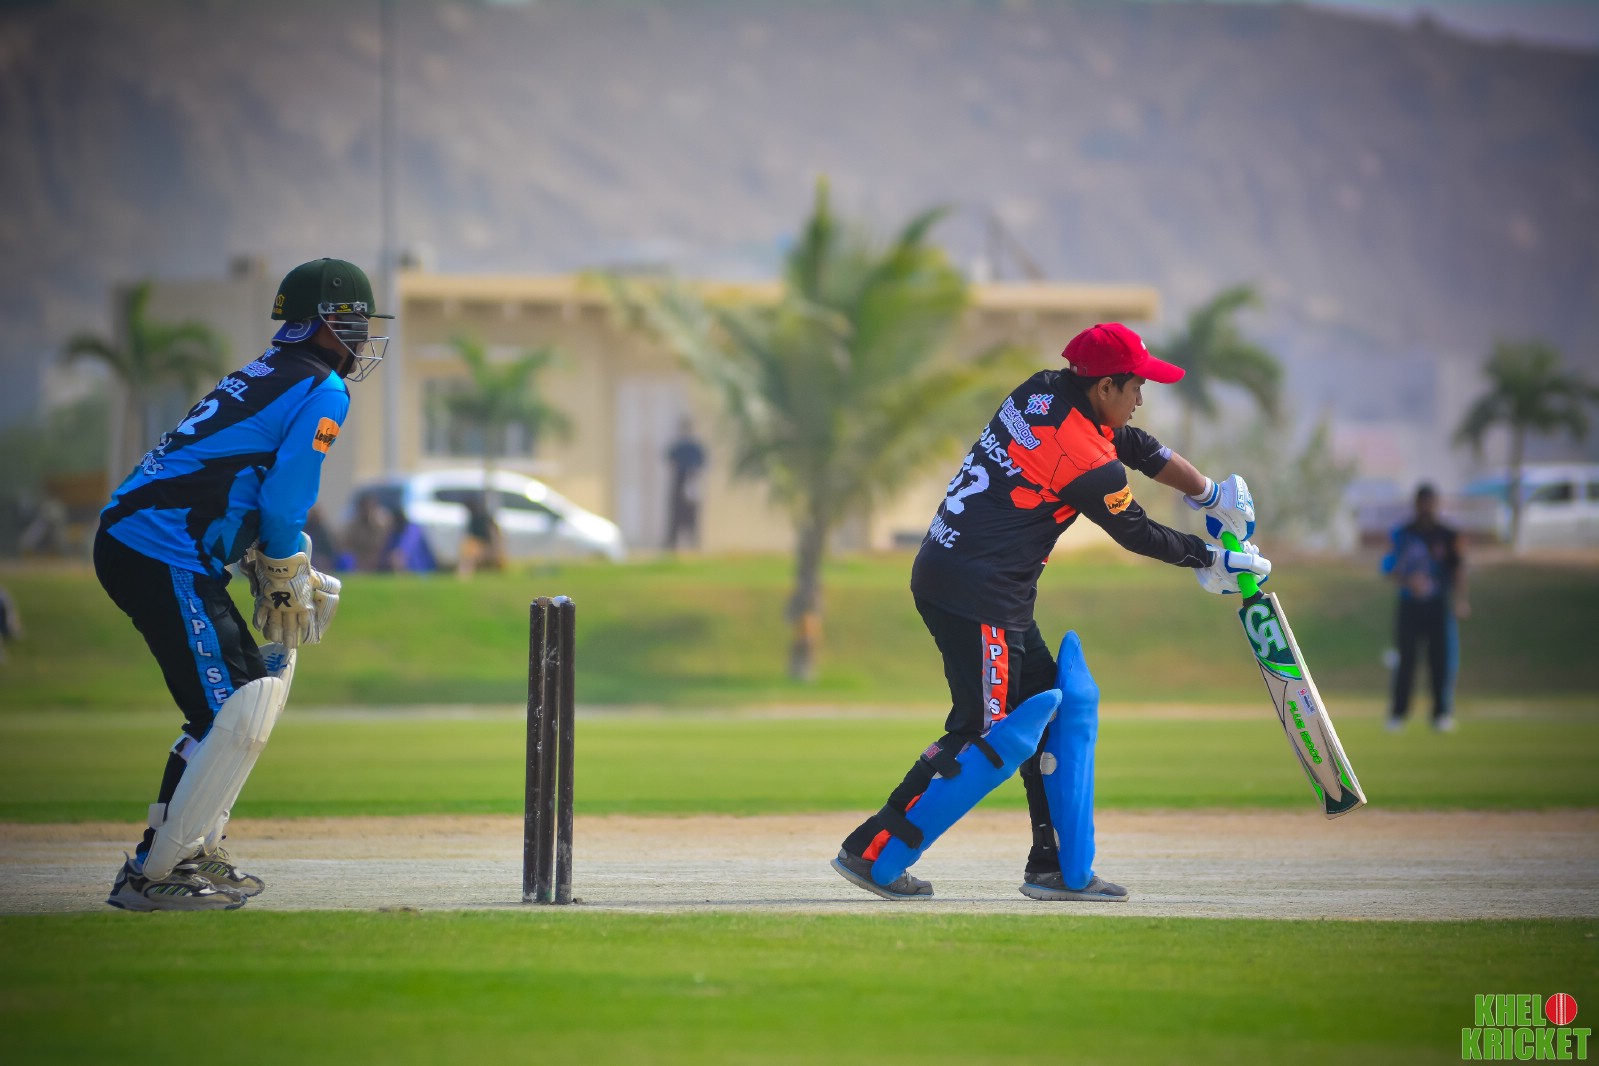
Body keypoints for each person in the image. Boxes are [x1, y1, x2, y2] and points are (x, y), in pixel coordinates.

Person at [830, 322, 1270, 903]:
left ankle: (1055, 867)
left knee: (1050, 714)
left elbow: (1136, 446)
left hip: (970, 579)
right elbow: (1135, 531)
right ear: (1105, 387)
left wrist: (1210, 494)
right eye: (1136, 385)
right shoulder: (1084, 457)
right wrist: (1210, 558)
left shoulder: (1042, 390)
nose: (1141, 397)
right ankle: (872, 851)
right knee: (984, 735)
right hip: (977, 593)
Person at [93, 258, 391, 910]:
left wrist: (263, 555)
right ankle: (153, 873)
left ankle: (188, 850)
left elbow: (225, 474)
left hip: (146, 540)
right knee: (231, 708)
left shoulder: (265, 371)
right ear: (322, 323)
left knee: (243, 697)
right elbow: (285, 499)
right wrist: (282, 565)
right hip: (159, 548)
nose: (363, 336)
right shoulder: (322, 388)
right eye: (353, 321)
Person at [1381, 483, 1468, 732]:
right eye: (1423, 503)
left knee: (1441, 659)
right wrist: (1410, 581)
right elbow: (1388, 567)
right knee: (1406, 658)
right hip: (1410, 604)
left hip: (1438, 605)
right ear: (1416, 504)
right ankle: (1398, 713)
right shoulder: (1403, 534)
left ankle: (1441, 713)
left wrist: (1461, 600)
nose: (1427, 508)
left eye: (1431, 503)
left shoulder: (1448, 535)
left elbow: (1458, 569)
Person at [663, 417, 707, 550]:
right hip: (685, 479)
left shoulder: (687, 446)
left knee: (686, 512)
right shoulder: (685, 445)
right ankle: (678, 541)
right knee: (682, 512)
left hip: (687, 480)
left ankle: (687, 541)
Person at [457, 493, 504, 577]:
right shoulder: (473, 517)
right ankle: (464, 573)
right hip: (475, 544)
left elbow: (493, 534)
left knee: (470, 554)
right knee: (468, 551)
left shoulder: (483, 518)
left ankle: (464, 573)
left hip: (483, 545)